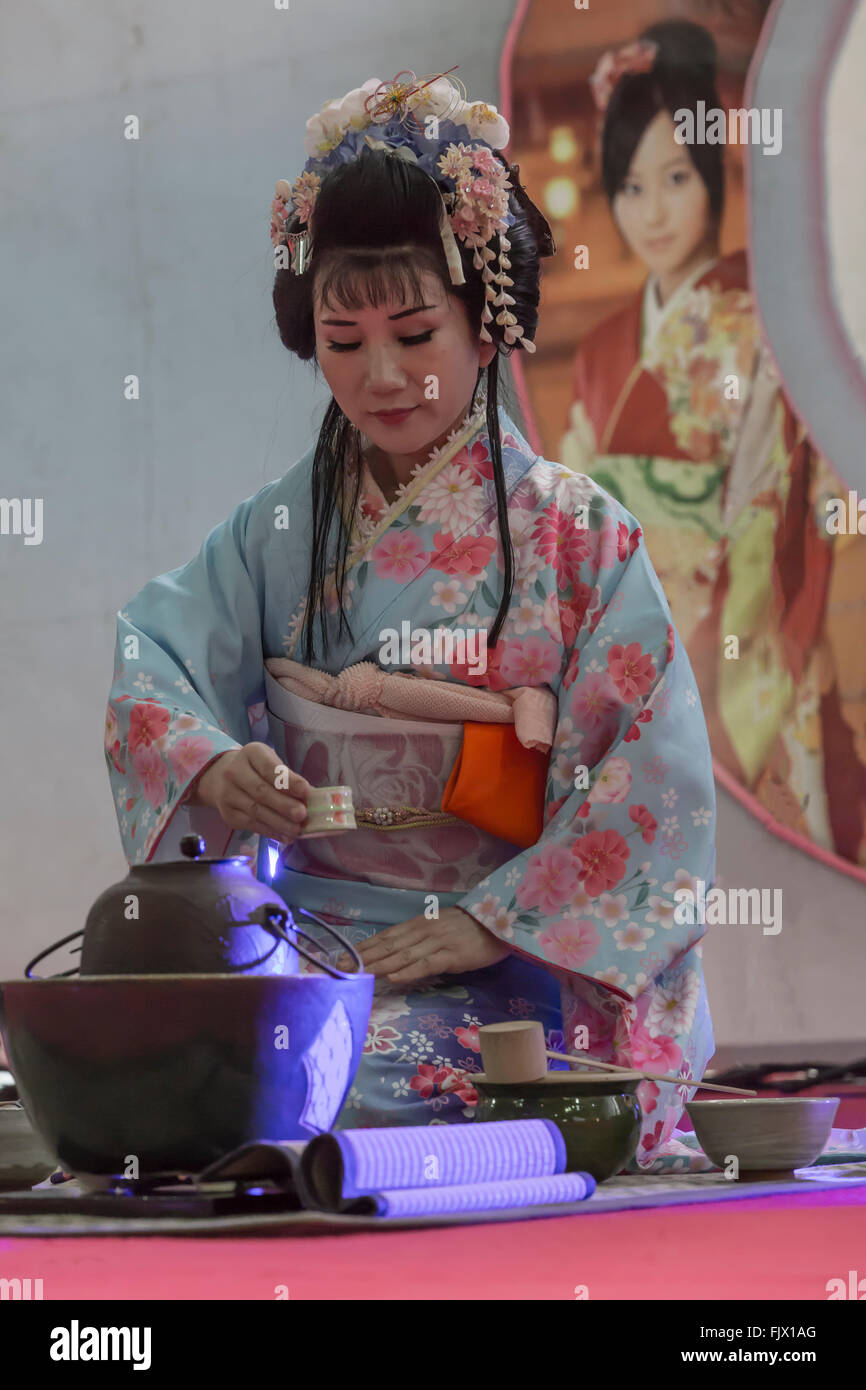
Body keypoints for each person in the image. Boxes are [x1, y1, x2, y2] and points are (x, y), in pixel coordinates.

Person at [104, 70, 717, 1171]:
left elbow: (651, 788)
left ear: (486, 324)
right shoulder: (280, 526)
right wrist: (206, 764)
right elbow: (156, 659)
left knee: (354, 1089)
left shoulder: (578, 536)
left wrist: (489, 920)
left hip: (512, 963)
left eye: (412, 332)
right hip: (316, 942)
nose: (380, 376)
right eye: (342, 341)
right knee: (179, 1059)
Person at [563, 20, 866, 870]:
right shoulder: (598, 356)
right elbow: (576, 531)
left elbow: (767, 510)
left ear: (715, 177)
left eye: (675, 178)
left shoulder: (761, 321)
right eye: (630, 187)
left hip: (730, 657)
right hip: (621, 652)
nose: (652, 212)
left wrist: (695, 667)